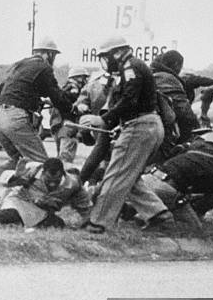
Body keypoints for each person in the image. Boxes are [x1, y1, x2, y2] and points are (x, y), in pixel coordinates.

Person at [78, 34, 171, 234]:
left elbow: (130, 100)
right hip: (148, 125)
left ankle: (98, 222)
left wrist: (104, 119)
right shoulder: (132, 66)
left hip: (140, 126)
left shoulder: (130, 67)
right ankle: (157, 213)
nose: (105, 61)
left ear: (117, 52)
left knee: (117, 173)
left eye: (105, 56)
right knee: (130, 175)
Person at [0, 36, 74, 202]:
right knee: (42, 163)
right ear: (48, 54)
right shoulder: (43, 68)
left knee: (20, 160)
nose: (53, 60)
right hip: (15, 119)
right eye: (53, 56)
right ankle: (40, 202)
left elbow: (12, 88)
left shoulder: (19, 65)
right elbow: (56, 95)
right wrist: (70, 111)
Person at [142, 136, 213, 256]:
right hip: (165, 188)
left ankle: (142, 211)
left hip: (148, 179)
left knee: (180, 198)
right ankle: (151, 223)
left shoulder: (205, 148)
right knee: (194, 227)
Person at [0, 158, 90, 228]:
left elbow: (84, 205)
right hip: (19, 201)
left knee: (58, 224)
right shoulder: (32, 169)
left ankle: (18, 224)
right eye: (48, 180)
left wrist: (88, 221)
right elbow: (5, 181)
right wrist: (17, 177)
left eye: (56, 181)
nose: (52, 184)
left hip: (41, 211)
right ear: (43, 172)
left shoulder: (73, 183)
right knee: (11, 214)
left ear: (62, 174)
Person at [150, 50, 199, 143]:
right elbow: (185, 113)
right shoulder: (168, 79)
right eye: (180, 66)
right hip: (161, 134)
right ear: (176, 64)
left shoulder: (149, 75)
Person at [50, 66, 90, 163]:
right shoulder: (74, 88)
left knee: (60, 156)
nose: (85, 80)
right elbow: (74, 102)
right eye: (83, 77)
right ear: (78, 78)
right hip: (68, 126)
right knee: (66, 158)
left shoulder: (63, 89)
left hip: (57, 125)